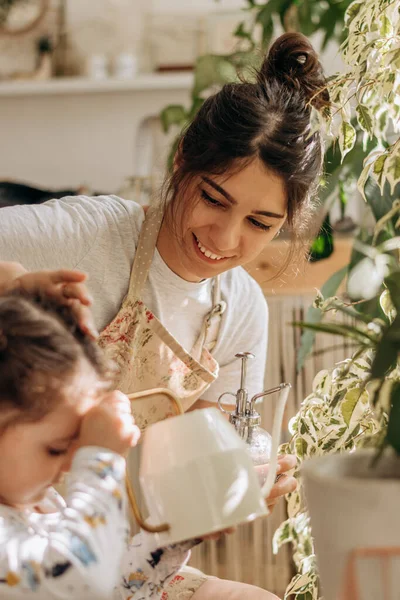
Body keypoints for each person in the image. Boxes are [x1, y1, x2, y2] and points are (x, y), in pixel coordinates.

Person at [0, 31, 329, 598]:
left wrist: (222, 493)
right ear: (182, 161)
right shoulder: (80, 236)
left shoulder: (240, 309)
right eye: (214, 199)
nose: (224, 238)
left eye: (259, 223)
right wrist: (10, 282)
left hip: (128, 558)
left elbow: (178, 496)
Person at [0, 274, 206, 600]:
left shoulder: (40, 502)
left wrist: (175, 529)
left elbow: (107, 587)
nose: (71, 465)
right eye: (56, 448)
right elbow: (82, 580)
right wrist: (100, 459)